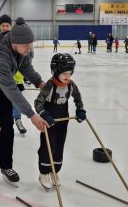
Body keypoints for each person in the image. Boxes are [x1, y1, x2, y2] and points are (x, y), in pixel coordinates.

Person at [0, 17, 49, 199]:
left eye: (30, 44)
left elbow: (26, 67)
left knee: (7, 125)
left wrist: (40, 82)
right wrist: (31, 115)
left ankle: (6, 167)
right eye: (26, 46)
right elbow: (11, 89)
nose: (29, 49)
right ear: (15, 43)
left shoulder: (23, 48)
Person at [34, 53, 86, 189]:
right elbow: (38, 103)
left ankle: (54, 171)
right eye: (64, 73)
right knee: (48, 146)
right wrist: (44, 114)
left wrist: (80, 109)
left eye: (70, 73)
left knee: (59, 146)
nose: (67, 76)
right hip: (49, 122)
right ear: (55, 71)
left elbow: (78, 97)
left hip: (63, 120)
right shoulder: (50, 86)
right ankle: (43, 173)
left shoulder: (71, 85)